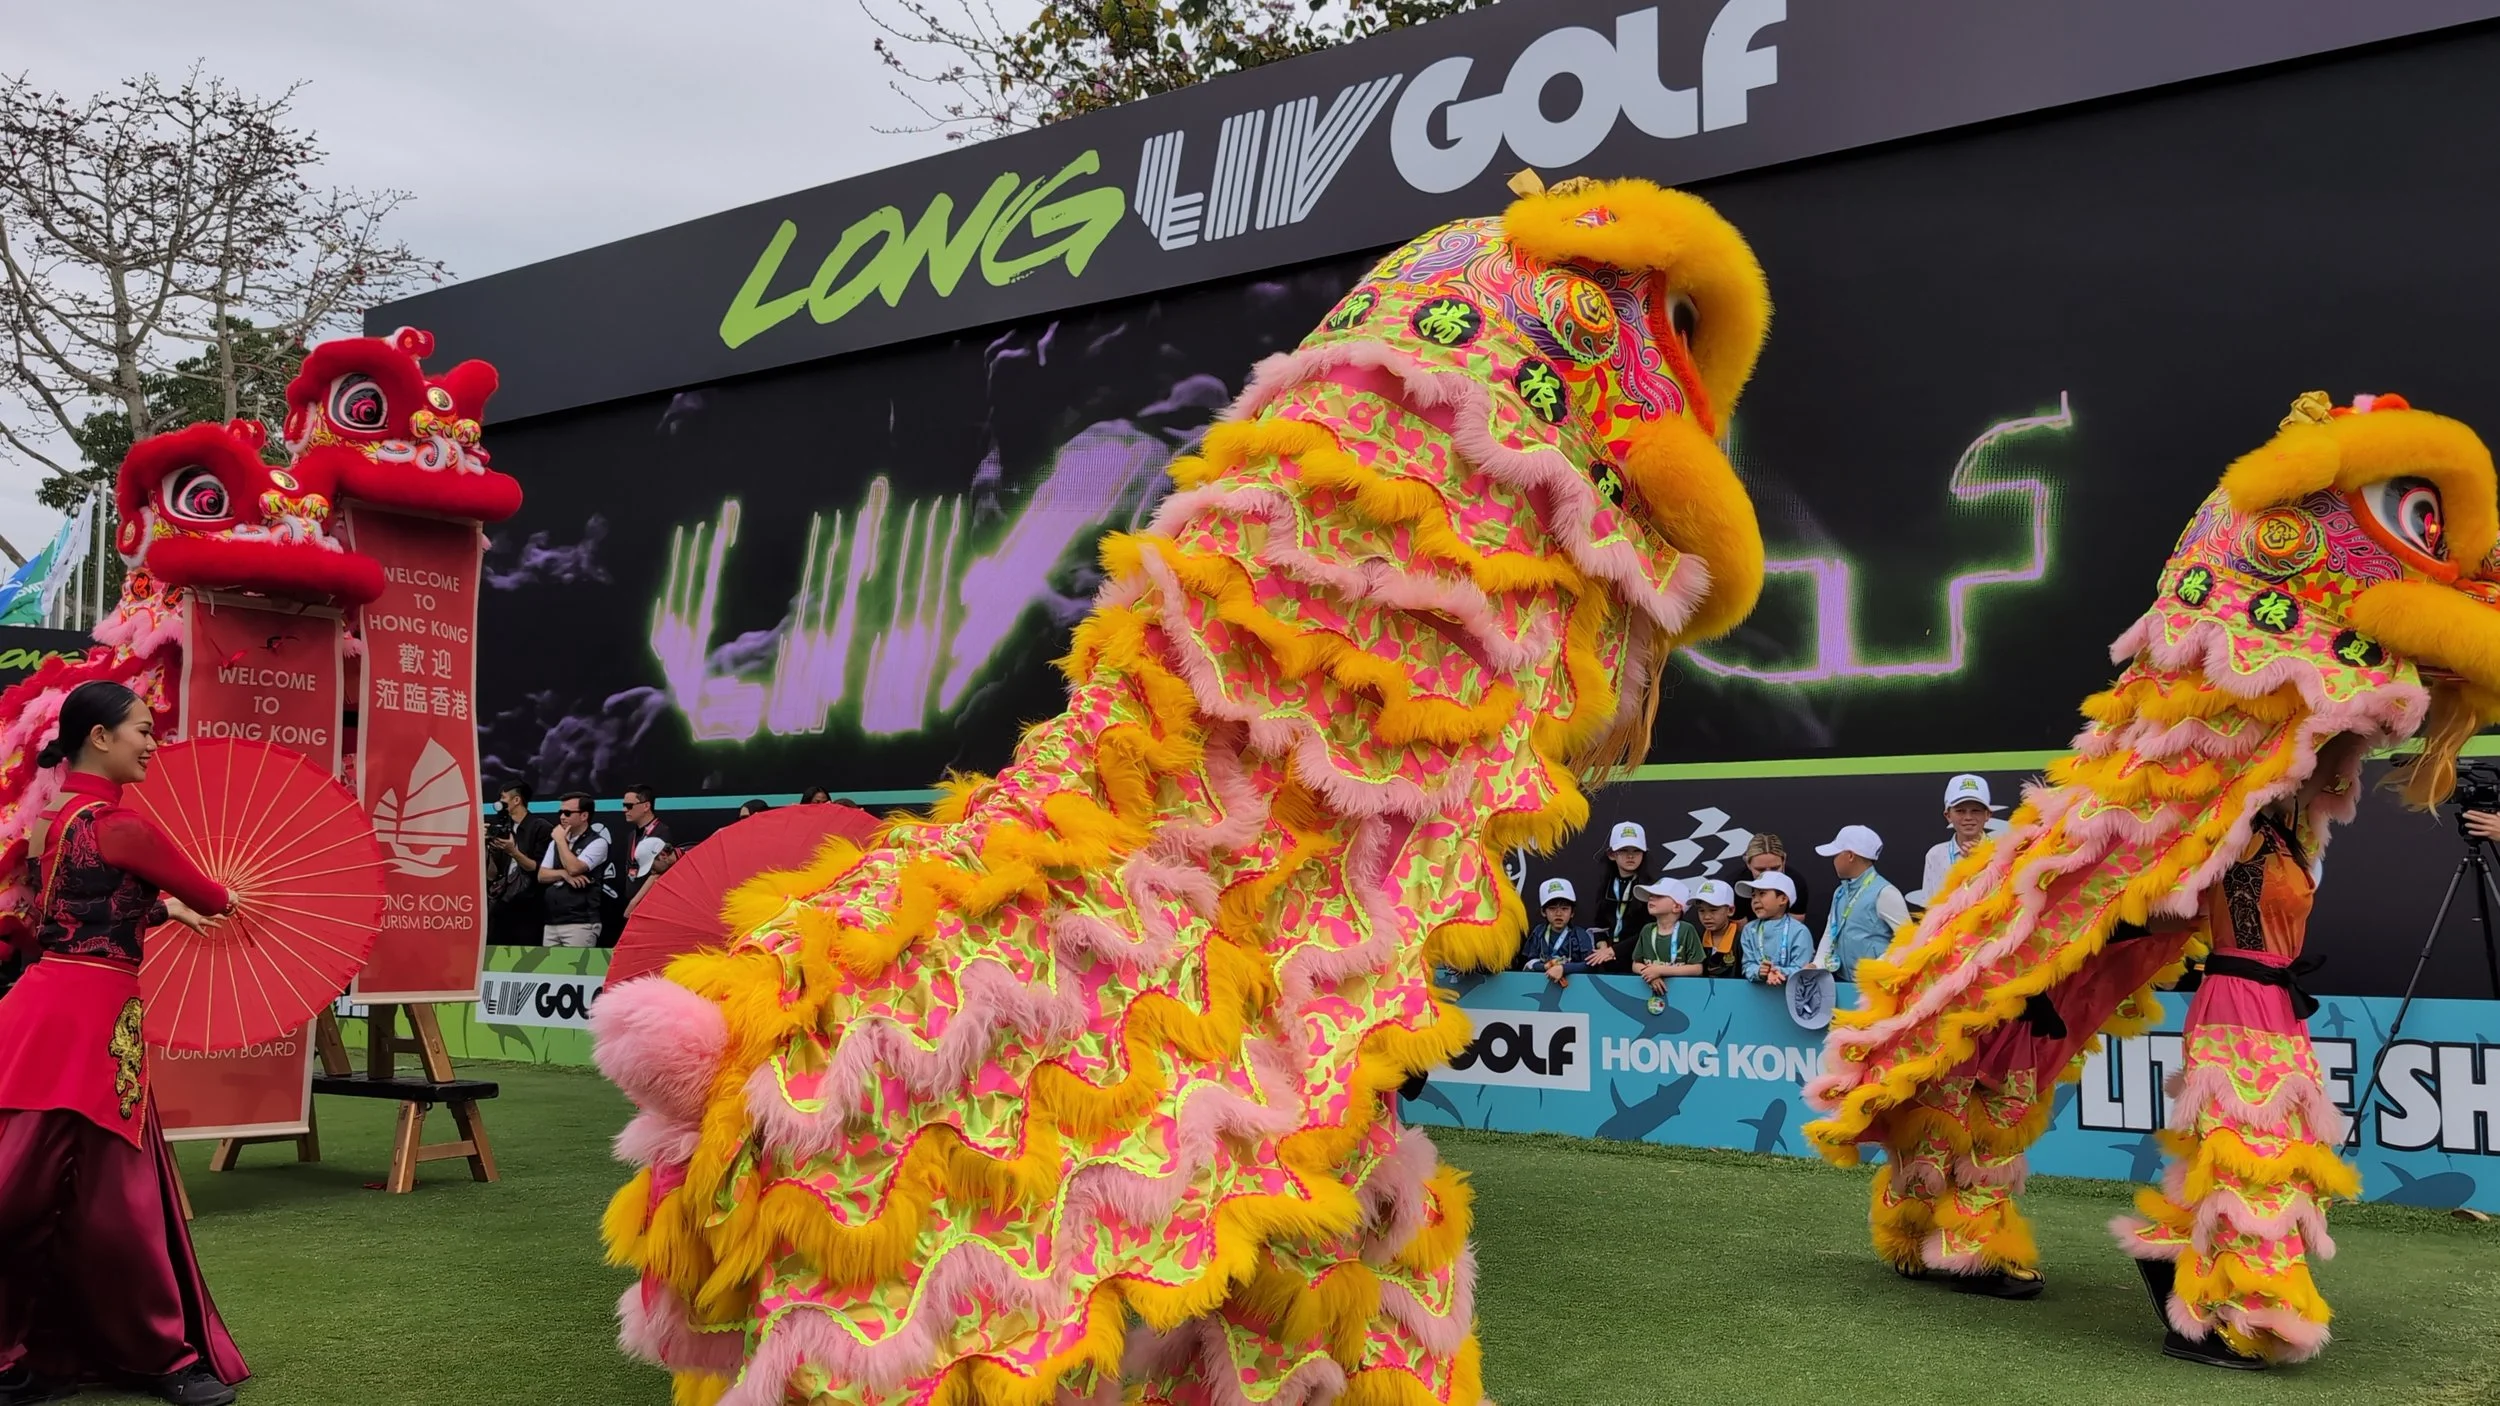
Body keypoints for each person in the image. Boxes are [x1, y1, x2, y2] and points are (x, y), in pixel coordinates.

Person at [0, 681, 246, 1406]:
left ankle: (19, 1351)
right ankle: (159, 1356)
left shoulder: (54, 820)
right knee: (118, 1199)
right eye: (141, 729)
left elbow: (79, 911)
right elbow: (218, 897)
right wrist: (192, 900)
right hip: (98, 1025)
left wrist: (152, 907)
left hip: (35, 1014)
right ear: (99, 737)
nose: (151, 741)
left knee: (24, 1185)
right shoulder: (125, 826)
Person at [1811, 824, 1910, 982]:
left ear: (1850, 856)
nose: (1833, 860)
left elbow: (1908, 940)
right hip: (1842, 984)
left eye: (1836, 854)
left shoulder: (1885, 892)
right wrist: (1816, 965)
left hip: (1875, 989)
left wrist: (1875, 970)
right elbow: (1830, 932)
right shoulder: (1840, 893)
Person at [526, 792, 610, 948]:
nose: (562, 817)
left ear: (584, 815)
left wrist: (560, 840)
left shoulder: (598, 842)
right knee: (548, 970)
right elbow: (542, 875)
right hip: (552, 921)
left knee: (575, 970)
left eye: (567, 813)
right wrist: (563, 874)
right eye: (560, 813)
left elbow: (574, 868)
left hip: (580, 922)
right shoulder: (556, 843)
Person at [1912, 773, 2004, 910]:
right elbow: (1930, 907)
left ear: (1988, 815)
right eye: (1960, 811)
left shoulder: (2002, 851)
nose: (1968, 817)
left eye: (1975, 811)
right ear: (1948, 815)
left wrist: (1979, 862)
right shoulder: (1935, 854)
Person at [485, 782, 556, 947]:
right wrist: (485, 846)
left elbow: (539, 869)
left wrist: (513, 851)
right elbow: (492, 875)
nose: (499, 802)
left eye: (503, 798)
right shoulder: (503, 828)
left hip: (529, 906)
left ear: (516, 800)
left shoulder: (540, 827)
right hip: (501, 904)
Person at [1586, 821, 1653, 973]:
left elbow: (1648, 931)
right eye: (1623, 850)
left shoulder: (1649, 888)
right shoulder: (1605, 885)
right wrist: (1602, 947)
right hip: (1608, 959)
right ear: (1611, 854)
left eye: (1636, 851)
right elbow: (1599, 924)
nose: (1630, 856)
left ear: (1644, 854)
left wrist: (1614, 951)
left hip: (1639, 959)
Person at [1625, 877, 1703, 996]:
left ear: (1676, 907)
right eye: (1651, 894)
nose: (1651, 897)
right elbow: (1636, 964)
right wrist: (1650, 974)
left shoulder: (1687, 929)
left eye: (1659, 895)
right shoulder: (1647, 930)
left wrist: (1660, 970)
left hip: (1684, 994)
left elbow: (1697, 968)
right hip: (1651, 991)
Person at [1737, 872, 1813, 987]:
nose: (1755, 900)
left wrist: (1778, 972)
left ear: (1782, 899)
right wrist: (1759, 972)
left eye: (1762, 894)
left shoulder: (1799, 931)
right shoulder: (1749, 929)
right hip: (1757, 997)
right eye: (1753, 896)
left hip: (1791, 996)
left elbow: (1803, 969)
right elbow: (1747, 965)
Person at [1518, 878, 1595, 987]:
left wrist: (1563, 968)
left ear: (1572, 913)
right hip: (1540, 987)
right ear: (1543, 912)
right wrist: (1545, 966)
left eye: (1564, 909)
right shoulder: (1538, 933)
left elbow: (1590, 965)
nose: (1558, 913)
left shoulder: (1580, 935)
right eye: (1552, 909)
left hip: (1575, 988)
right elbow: (1528, 963)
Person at [1743, 832, 1812, 923]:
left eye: (1775, 868)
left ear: (1784, 860)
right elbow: (1740, 929)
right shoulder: (1737, 884)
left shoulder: (1796, 883)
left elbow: (1795, 925)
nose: (1768, 875)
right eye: (1760, 870)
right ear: (1747, 863)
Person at [1689, 879, 1744, 978]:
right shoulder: (1696, 936)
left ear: (1730, 910)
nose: (1706, 917)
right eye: (1701, 910)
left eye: (1713, 910)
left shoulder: (1742, 938)